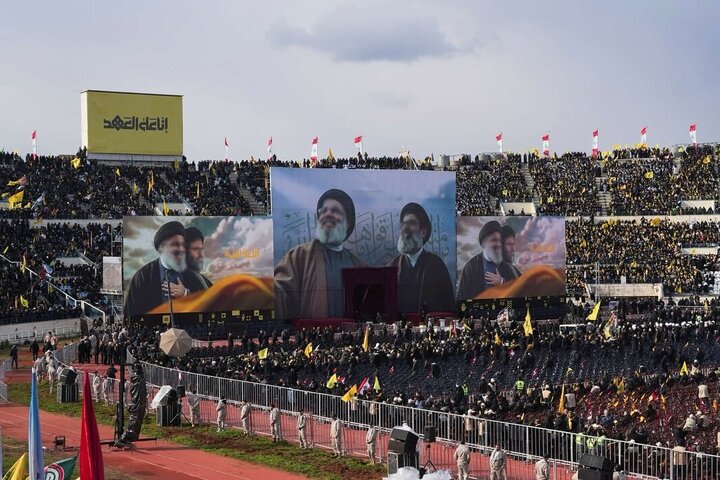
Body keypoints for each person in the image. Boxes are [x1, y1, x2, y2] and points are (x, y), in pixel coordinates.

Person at [274, 189, 365, 319]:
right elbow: (281, 293)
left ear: (348, 222)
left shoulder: (358, 264)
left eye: (335, 211)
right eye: (323, 211)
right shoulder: (299, 256)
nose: (327, 214)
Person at [123, 221, 206, 316]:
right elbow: (131, 314)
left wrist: (186, 294)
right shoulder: (143, 276)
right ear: (161, 247)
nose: (181, 249)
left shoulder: (192, 274)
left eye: (183, 245)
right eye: (175, 244)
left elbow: (207, 303)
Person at [387, 202, 455, 313]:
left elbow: (447, 307)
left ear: (423, 232)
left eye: (411, 223)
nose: (405, 228)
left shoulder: (437, 266)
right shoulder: (391, 268)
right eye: (403, 223)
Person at [457, 221, 517, 300]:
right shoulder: (471, 267)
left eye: (499, 241)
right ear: (484, 243)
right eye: (494, 240)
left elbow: (517, 291)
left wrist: (502, 282)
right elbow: (462, 298)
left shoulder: (507, 266)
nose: (498, 244)